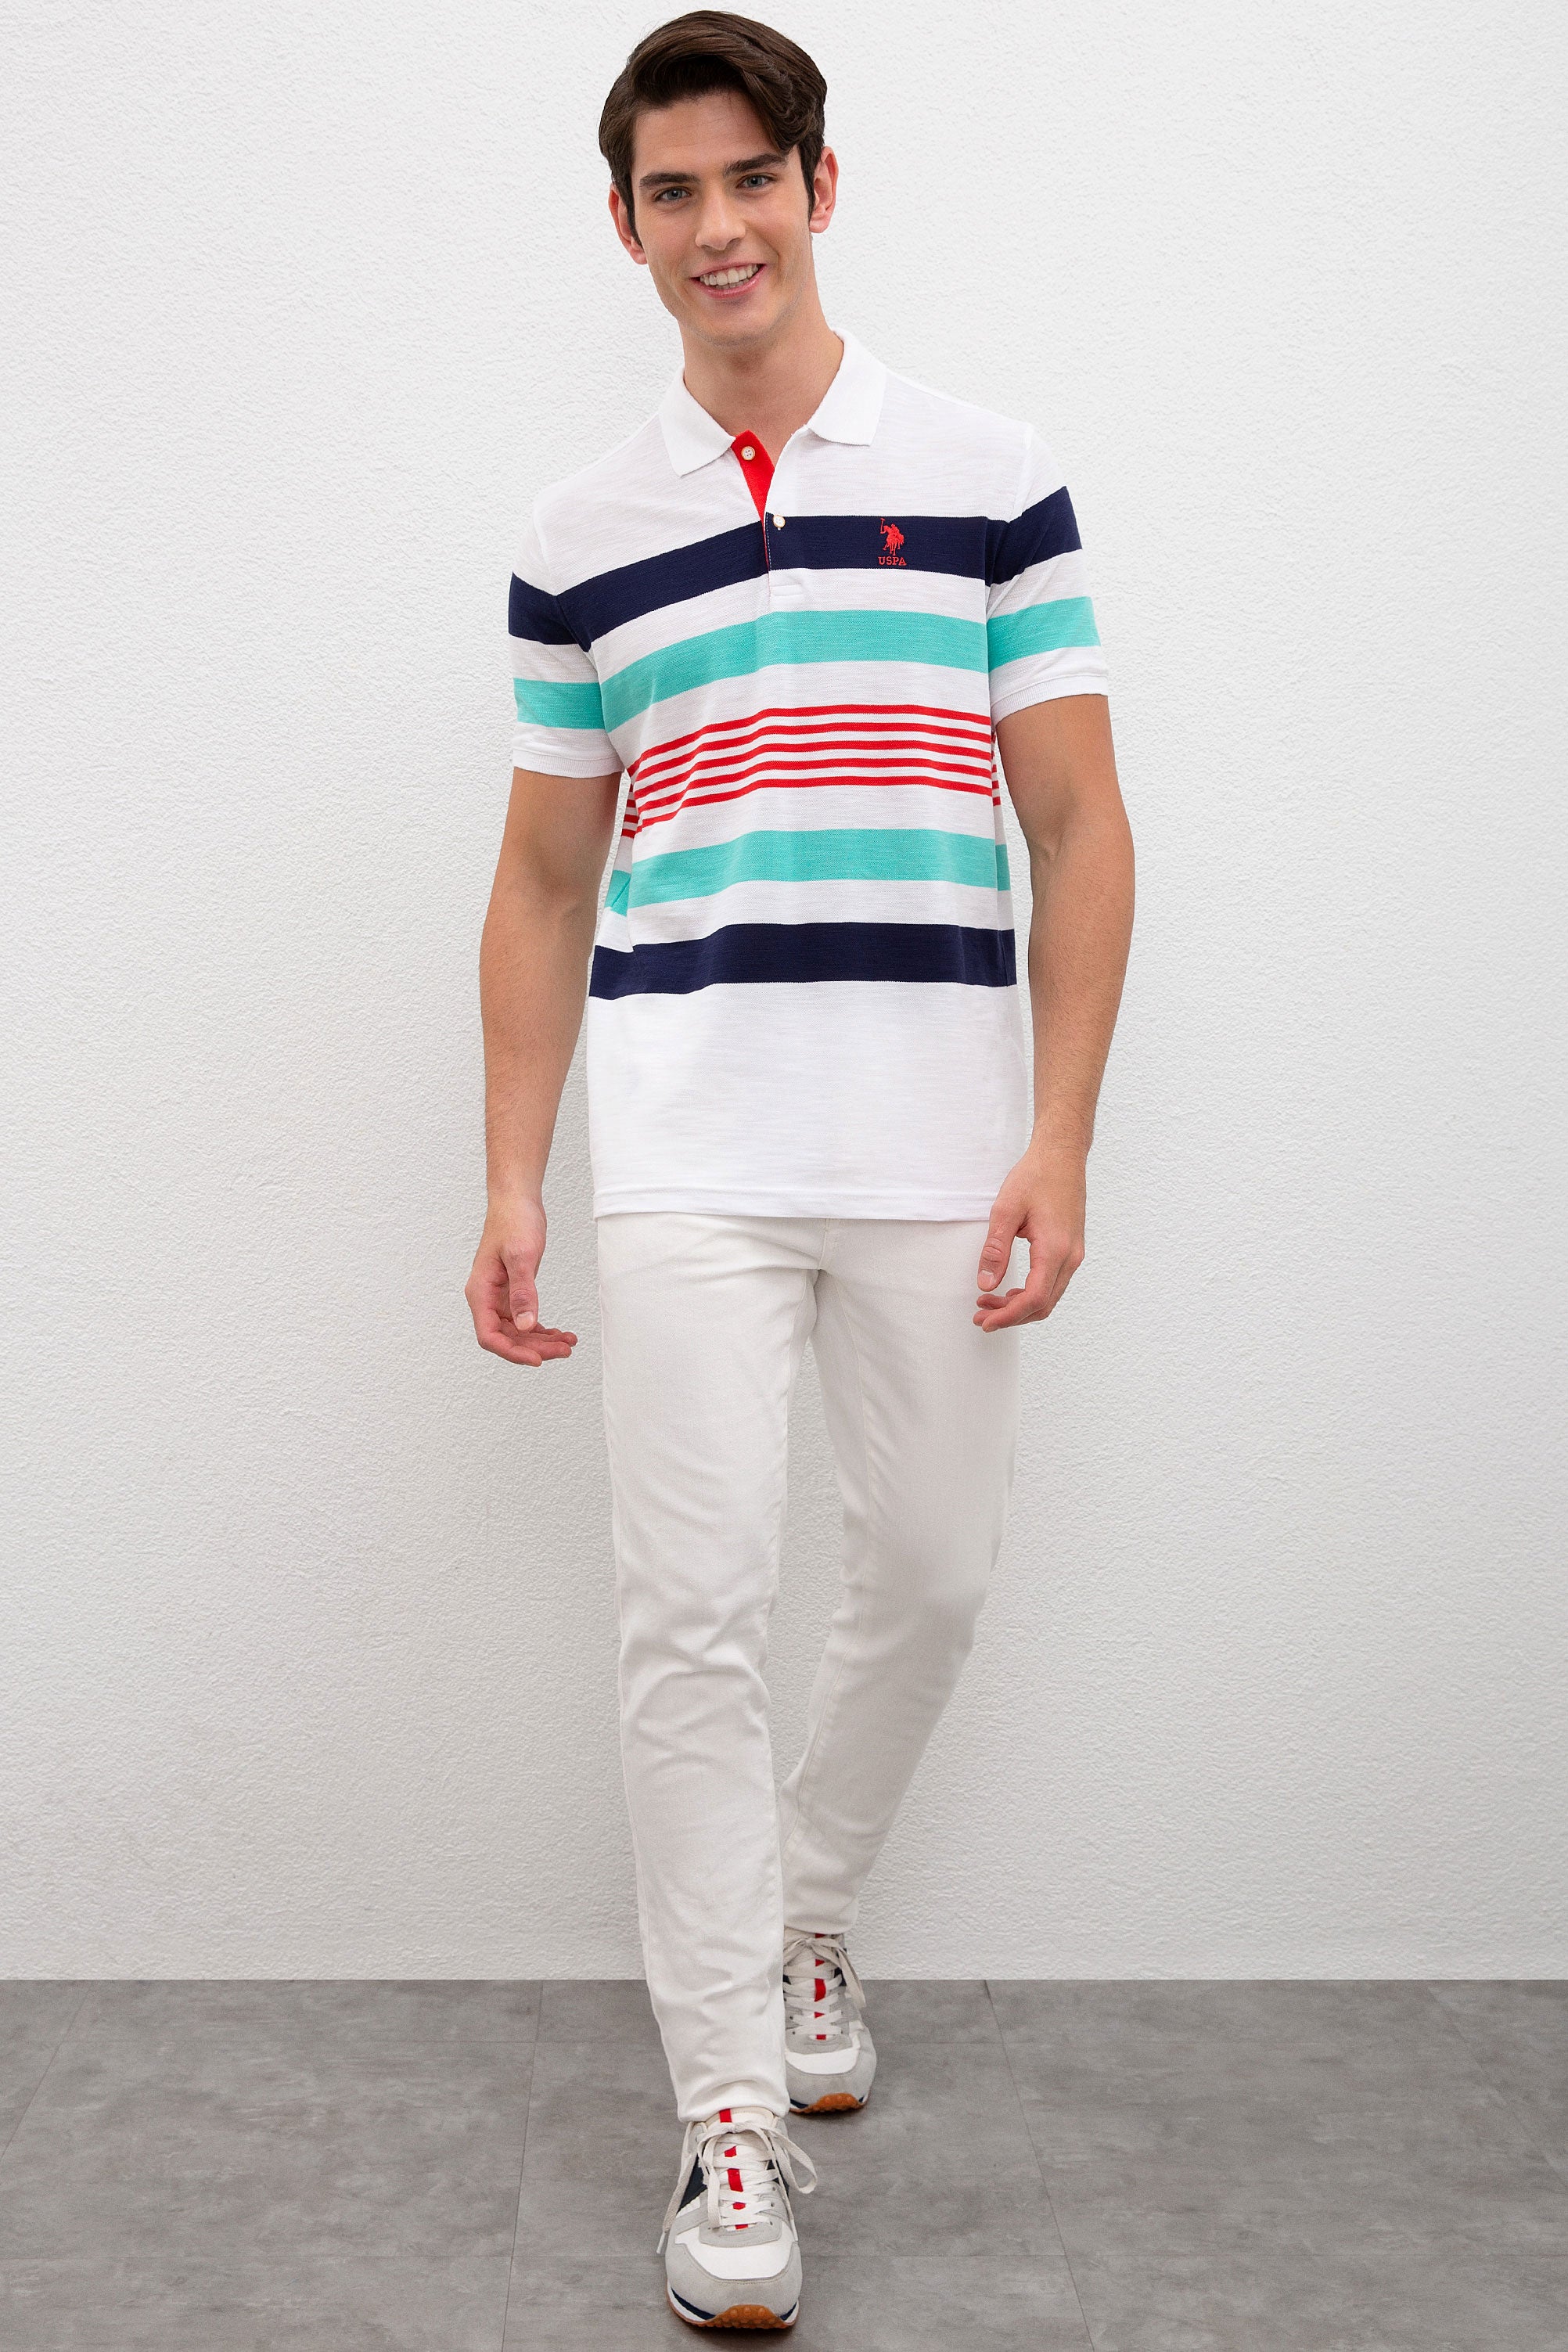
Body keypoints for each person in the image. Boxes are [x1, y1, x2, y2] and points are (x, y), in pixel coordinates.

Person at [466, 9, 1135, 2329]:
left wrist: (1058, 1133)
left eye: (750, 178)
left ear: (818, 189)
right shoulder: (580, 535)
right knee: (688, 1617)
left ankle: (805, 1901)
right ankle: (728, 2111)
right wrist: (515, 1172)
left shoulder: (989, 474)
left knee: (932, 1571)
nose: (717, 226)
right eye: (672, 192)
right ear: (626, 225)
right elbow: (542, 877)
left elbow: (1076, 822)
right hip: (686, 1145)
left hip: (939, 1138)